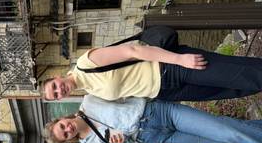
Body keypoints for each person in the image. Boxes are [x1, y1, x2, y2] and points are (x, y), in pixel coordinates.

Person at [44, 94, 262, 143]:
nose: (67, 129)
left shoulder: (89, 101)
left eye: (62, 126)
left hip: (157, 114)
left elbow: (123, 91)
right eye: (64, 134)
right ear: (69, 140)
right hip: (155, 142)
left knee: (225, 131)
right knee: (222, 135)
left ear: (62, 119)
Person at [42, 43, 262, 102]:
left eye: (54, 87)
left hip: (170, 68)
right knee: (233, 88)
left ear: (57, 77)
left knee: (237, 73)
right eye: (56, 95)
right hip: (166, 93)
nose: (59, 90)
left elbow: (133, 50)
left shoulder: (85, 63)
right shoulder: (88, 90)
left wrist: (179, 59)